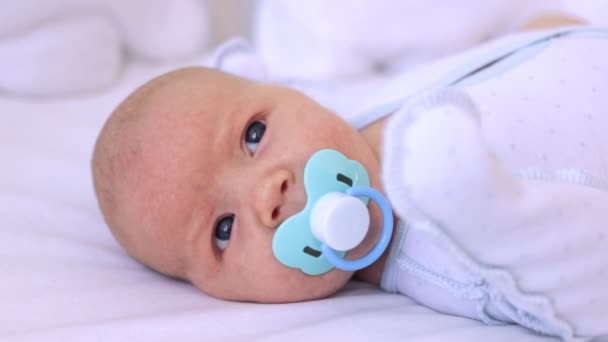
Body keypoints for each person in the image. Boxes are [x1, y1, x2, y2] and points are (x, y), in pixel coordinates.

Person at [92, 17, 607, 340]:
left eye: (252, 135)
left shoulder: (344, 110)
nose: (266, 194)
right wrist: (470, 198)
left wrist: (535, 35)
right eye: (222, 231)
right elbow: (584, 297)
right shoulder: (447, 264)